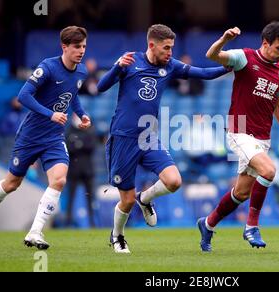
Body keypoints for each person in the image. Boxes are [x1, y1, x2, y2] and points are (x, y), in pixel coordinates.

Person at [97, 24, 230, 254]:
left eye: (172, 48)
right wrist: (116, 67)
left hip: (148, 137)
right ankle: (117, 235)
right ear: (152, 45)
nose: (170, 52)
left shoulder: (170, 66)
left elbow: (204, 73)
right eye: (166, 48)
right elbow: (100, 87)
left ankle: (146, 198)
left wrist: (231, 67)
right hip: (123, 139)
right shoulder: (130, 62)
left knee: (174, 181)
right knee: (126, 201)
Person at [0, 26, 91, 250]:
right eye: (77, 46)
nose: (81, 51)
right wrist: (50, 114)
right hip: (30, 136)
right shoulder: (48, 67)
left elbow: (73, 96)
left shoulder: (82, 72)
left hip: (54, 138)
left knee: (59, 179)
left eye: (84, 46)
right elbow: (23, 95)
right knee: (12, 183)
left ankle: (35, 231)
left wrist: (82, 114)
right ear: (64, 47)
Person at [197, 22, 279, 252]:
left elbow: (278, 106)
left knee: (241, 192)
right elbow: (211, 55)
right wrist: (225, 39)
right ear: (265, 43)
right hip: (239, 130)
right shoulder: (244, 57)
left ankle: (207, 224)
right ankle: (251, 226)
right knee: (269, 171)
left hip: (262, 138)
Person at [65, 113, 97, 227]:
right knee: (70, 197)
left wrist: (78, 143)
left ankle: (93, 222)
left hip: (87, 169)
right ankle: (67, 222)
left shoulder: (89, 129)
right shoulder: (70, 129)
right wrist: (81, 144)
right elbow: (68, 147)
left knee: (90, 197)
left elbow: (91, 146)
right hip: (73, 169)